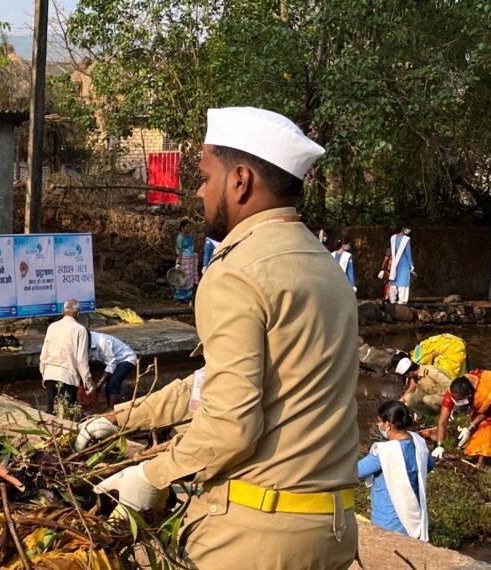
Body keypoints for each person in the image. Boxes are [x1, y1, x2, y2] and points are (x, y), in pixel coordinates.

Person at [89, 107, 359, 568]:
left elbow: (230, 424)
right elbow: (214, 383)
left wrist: (152, 476)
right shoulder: (323, 264)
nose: (199, 191)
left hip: (254, 536)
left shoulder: (236, 271)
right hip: (330, 531)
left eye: (204, 176)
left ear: (239, 181)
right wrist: (121, 418)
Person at [357, 401, 434, 541]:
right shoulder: (418, 442)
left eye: (380, 422)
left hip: (387, 519)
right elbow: (429, 465)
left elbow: (356, 471)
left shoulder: (385, 452)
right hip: (413, 516)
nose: (380, 425)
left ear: (388, 424)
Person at [432, 370, 491, 468]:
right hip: (483, 391)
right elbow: (442, 422)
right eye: (454, 399)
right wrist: (439, 445)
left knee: (487, 425)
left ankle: (481, 462)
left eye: (459, 400)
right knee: (475, 419)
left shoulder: (483, 394)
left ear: (468, 395)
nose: (456, 402)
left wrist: (470, 427)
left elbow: (487, 412)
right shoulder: (452, 393)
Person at [39, 300, 93, 413]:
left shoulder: (52, 327)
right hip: (67, 377)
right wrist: (88, 384)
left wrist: (43, 374)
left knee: (51, 412)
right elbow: (81, 360)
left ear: (63, 311)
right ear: (78, 314)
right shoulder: (80, 330)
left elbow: (44, 352)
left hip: (50, 374)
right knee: (68, 413)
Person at [88, 330, 139, 406]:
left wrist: (101, 381)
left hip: (126, 358)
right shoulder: (85, 340)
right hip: (114, 362)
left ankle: (113, 409)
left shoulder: (101, 342)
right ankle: (110, 406)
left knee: (113, 382)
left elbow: (111, 363)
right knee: (108, 386)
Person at [387, 223, 416, 304]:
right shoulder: (406, 239)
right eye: (407, 228)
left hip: (394, 262)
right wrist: (411, 265)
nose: (408, 230)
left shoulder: (392, 238)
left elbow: (392, 251)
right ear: (403, 228)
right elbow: (408, 253)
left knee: (394, 280)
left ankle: (392, 299)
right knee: (403, 281)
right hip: (404, 263)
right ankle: (402, 300)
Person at [173, 220, 198, 301]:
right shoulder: (180, 238)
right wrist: (179, 263)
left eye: (190, 227)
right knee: (183, 278)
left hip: (190, 260)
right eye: (187, 227)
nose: (189, 228)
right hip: (183, 260)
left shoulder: (189, 236)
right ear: (182, 227)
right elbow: (180, 251)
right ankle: (180, 297)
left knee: (189, 278)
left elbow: (191, 246)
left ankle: (188, 296)